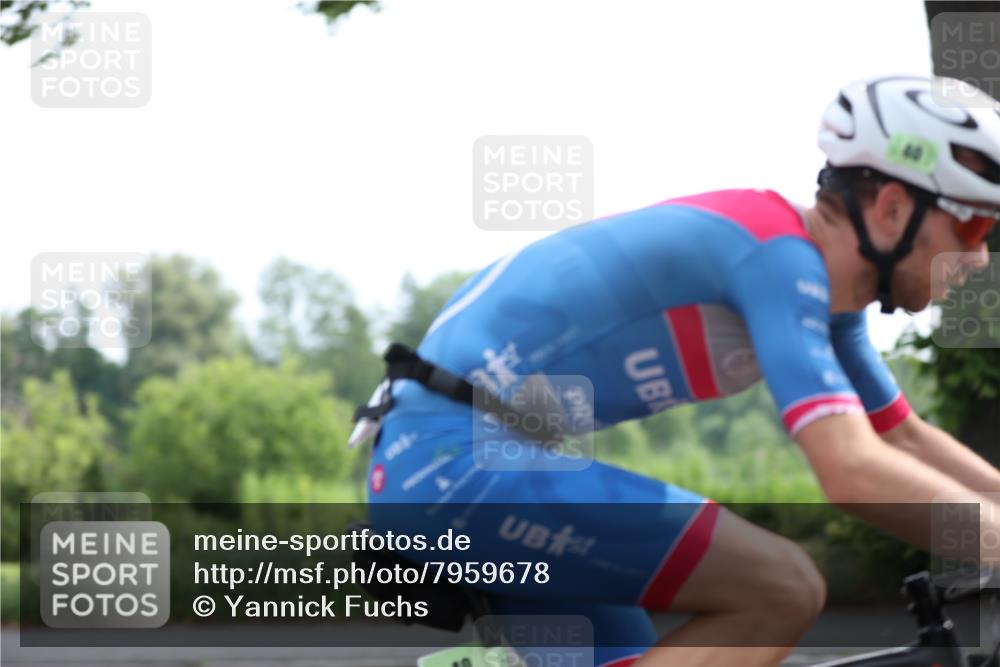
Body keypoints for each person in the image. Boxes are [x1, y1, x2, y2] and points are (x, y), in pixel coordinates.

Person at [357, 75, 1000, 667]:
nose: (979, 259)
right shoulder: (776, 258)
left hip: (461, 464)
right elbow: (851, 470)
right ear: (891, 208)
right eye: (973, 226)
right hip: (459, 463)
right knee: (780, 589)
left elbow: (901, 438)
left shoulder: (827, 299)